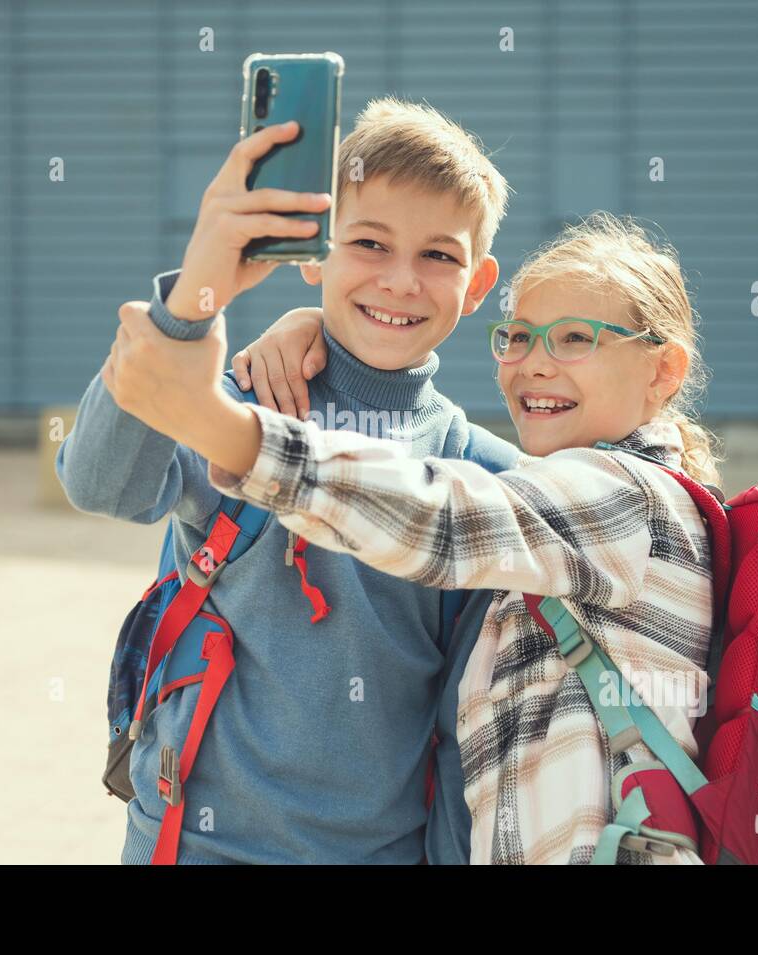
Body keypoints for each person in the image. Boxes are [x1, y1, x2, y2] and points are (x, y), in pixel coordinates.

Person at [109, 212, 724, 863]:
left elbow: (441, 516)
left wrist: (224, 429)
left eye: (575, 338)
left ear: (663, 372)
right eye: (518, 336)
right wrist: (321, 333)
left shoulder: (629, 501)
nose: (535, 365)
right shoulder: (551, 501)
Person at [59, 98, 520, 863]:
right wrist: (197, 291)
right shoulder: (241, 405)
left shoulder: (483, 477)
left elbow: (460, 734)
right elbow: (99, 480)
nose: (402, 281)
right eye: (369, 243)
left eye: (440, 256)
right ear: (312, 251)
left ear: (478, 285)